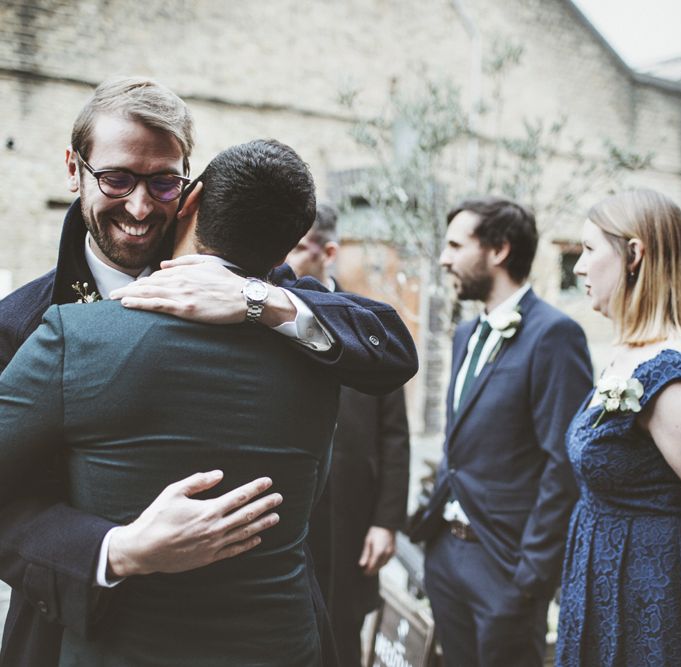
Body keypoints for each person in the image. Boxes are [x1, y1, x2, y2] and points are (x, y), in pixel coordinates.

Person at [0, 77, 417, 667]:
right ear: (76, 168)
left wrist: (257, 300)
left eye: (162, 181)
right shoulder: (22, 322)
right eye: (117, 179)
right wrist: (116, 549)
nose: (141, 208)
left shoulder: (260, 281)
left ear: (189, 188)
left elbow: (391, 347)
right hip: (82, 627)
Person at [410, 197, 593, 666]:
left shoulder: (555, 335)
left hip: (505, 568)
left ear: (499, 250)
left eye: (455, 245)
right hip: (447, 557)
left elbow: (565, 462)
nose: (444, 258)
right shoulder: (465, 335)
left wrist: (531, 575)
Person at [556, 189, 681, 665]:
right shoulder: (628, 356)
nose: (578, 266)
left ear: (634, 254)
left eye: (590, 250)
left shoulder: (673, 383)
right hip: (607, 584)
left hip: (657, 606)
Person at [288, 204, 411, 666]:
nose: (289, 259)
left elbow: (395, 435)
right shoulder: (266, 318)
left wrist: (386, 522)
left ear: (329, 252)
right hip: (295, 509)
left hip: (353, 513)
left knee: (342, 630)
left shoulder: (367, 322)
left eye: (300, 248)